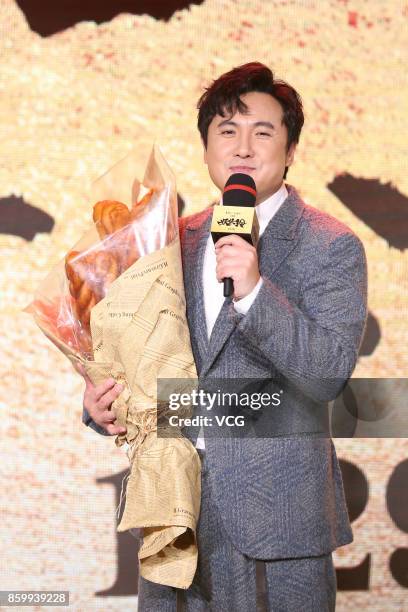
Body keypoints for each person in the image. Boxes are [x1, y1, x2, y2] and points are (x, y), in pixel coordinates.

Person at [81, 62, 367, 611]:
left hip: (279, 520)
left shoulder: (330, 245)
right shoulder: (172, 242)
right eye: (226, 131)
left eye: (262, 132)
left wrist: (256, 290)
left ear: (290, 151)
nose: (243, 146)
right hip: (176, 508)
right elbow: (140, 354)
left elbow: (328, 371)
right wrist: (102, 403)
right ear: (207, 148)